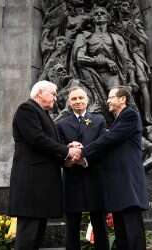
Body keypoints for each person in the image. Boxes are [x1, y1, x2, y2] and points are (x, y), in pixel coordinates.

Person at [72, 86, 149, 250]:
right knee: (122, 229)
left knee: (131, 228)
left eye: (111, 97)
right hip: (119, 184)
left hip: (128, 183)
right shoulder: (118, 120)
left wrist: (82, 152)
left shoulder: (130, 115)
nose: (108, 101)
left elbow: (108, 140)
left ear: (123, 99)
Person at [9, 80, 81, 250]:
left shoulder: (43, 114)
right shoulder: (26, 109)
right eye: (53, 94)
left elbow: (48, 145)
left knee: (37, 235)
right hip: (31, 185)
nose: (56, 98)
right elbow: (37, 139)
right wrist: (66, 151)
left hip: (40, 187)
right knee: (28, 236)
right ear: (40, 93)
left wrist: (65, 157)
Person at [57, 86, 109, 250]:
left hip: (94, 178)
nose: (78, 101)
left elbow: (103, 146)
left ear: (87, 100)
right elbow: (57, 149)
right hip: (72, 179)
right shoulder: (61, 124)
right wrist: (69, 154)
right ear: (69, 102)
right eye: (74, 99)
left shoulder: (99, 120)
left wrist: (84, 157)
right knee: (72, 225)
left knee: (99, 224)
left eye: (81, 98)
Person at [71, 6, 137, 117]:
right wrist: (104, 61)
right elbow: (79, 58)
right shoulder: (84, 36)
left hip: (112, 75)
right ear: (92, 19)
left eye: (102, 13)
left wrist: (132, 80)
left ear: (108, 18)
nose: (99, 15)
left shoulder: (116, 38)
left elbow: (127, 61)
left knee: (118, 100)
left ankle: (123, 128)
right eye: (96, 14)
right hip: (90, 74)